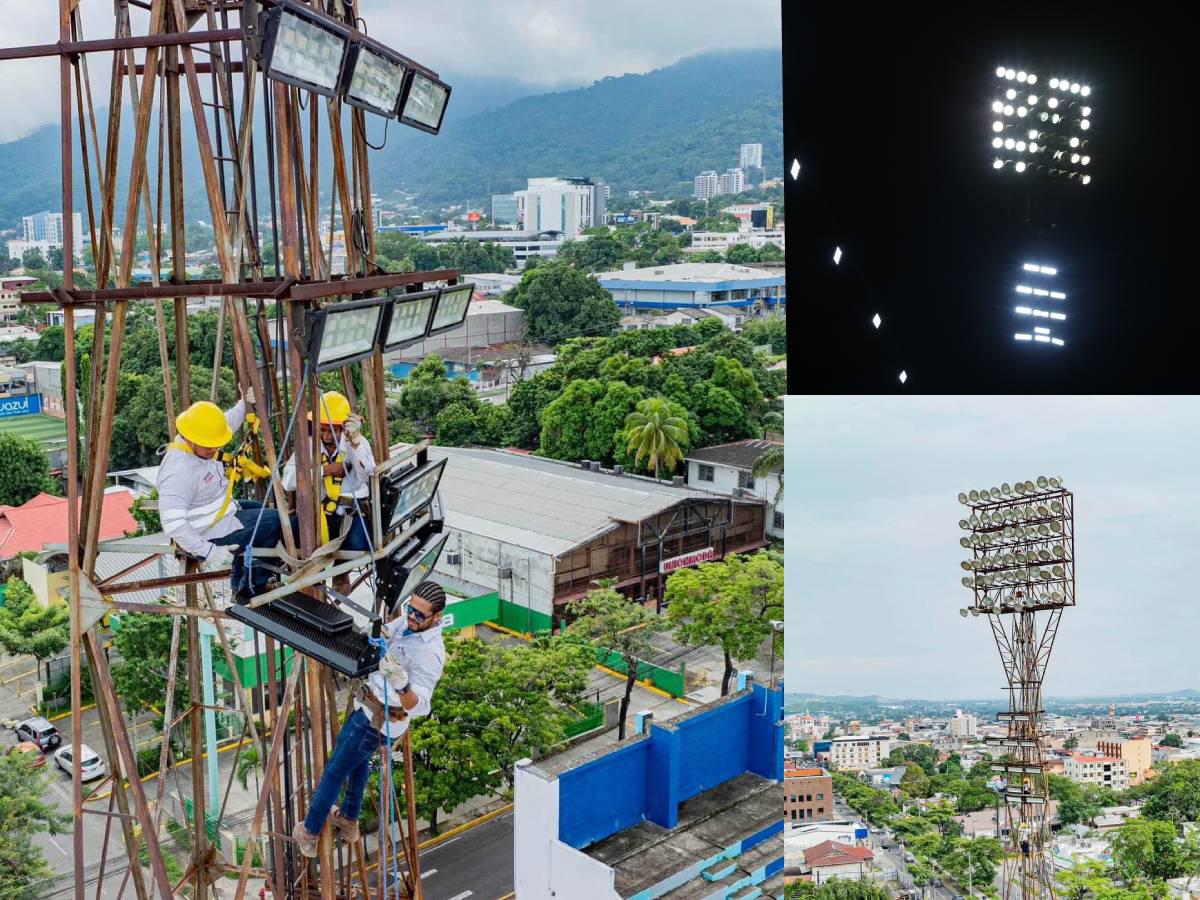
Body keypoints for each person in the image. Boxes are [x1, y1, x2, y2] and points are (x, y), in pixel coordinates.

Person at [293, 580, 448, 856]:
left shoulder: (431, 654)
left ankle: (310, 832)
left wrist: (401, 685)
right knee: (358, 762)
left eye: (419, 615)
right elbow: (391, 633)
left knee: (334, 772)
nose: (411, 617)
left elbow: (420, 706)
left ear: (435, 618)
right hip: (371, 708)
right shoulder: (406, 624)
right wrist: (380, 634)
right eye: (410, 609)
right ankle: (349, 819)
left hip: (377, 719)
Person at [158, 388, 282, 596]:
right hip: (206, 533)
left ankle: (238, 580)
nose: (214, 451)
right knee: (273, 521)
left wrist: (244, 403)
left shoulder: (201, 435)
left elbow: (228, 422)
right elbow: (174, 525)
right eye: (209, 447)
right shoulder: (178, 470)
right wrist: (210, 552)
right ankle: (253, 587)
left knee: (260, 509)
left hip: (222, 513)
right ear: (191, 440)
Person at [282, 390, 376, 593]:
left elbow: (367, 474)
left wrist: (356, 443)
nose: (326, 436)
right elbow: (287, 481)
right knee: (298, 539)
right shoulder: (308, 446)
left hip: (351, 510)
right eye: (322, 430)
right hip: (321, 511)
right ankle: (312, 576)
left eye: (332, 430)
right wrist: (322, 471)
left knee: (357, 547)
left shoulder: (356, 444)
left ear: (343, 427)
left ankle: (341, 573)